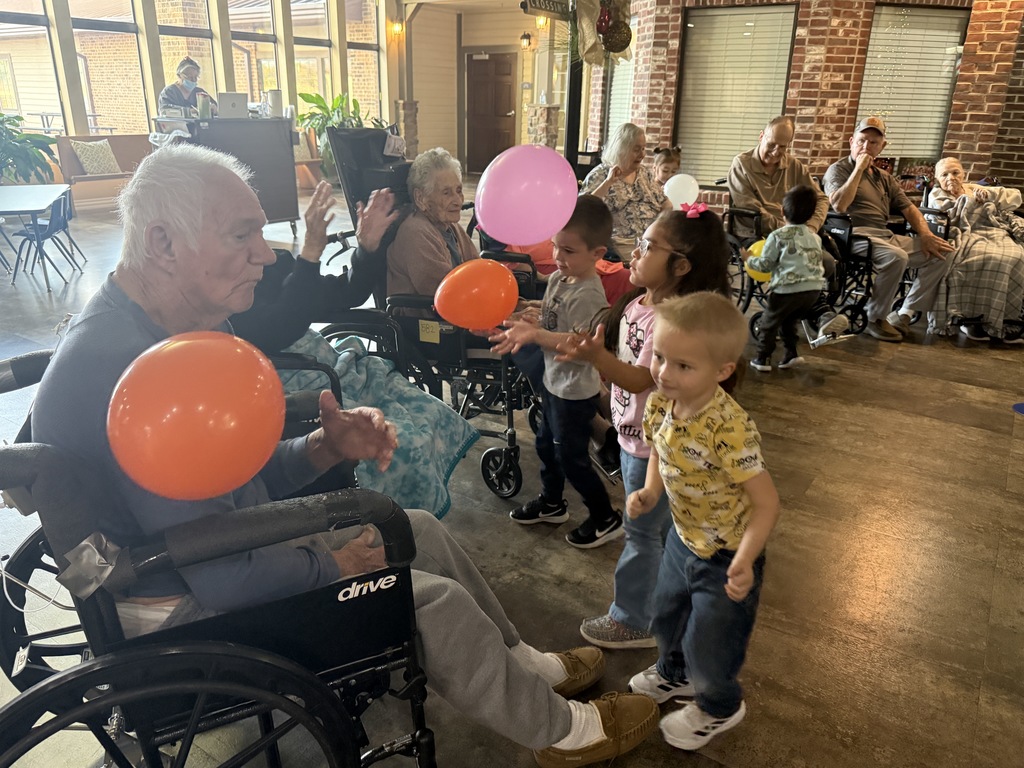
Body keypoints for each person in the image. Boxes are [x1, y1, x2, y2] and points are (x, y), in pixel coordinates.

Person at [29, 143, 658, 767]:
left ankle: (523, 666)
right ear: (164, 243)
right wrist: (331, 564)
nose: (264, 254)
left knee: (416, 528)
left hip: (218, 554)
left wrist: (321, 447)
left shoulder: (169, 333)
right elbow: (220, 573)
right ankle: (563, 732)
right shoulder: (133, 371)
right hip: (186, 611)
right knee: (428, 599)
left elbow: (236, 483)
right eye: (242, 235)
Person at [554, 207, 734, 649]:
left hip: (654, 447)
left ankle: (634, 619)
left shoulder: (673, 320)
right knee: (660, 530)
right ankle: (672, 603)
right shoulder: (640, 303)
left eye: (649, 246)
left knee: (642, 533)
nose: (635, 252)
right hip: (636, 437)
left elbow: (640, 378)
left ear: (681, 266)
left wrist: (597, 359)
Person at [625, 291, 780, 751]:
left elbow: (767, 503)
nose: (664, 373)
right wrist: (651, 491)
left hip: (728, 556)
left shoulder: (728, 428)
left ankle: (719, 705)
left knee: (712, 644)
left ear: (722, 371)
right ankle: (674, 674)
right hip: (683, 539)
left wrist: (746, 561)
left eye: (683, 366)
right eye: (659, 357)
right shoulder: (661, 402)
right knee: (665, 616)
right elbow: (659, 449)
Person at [489, 196, 623, 549]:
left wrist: (535, 335)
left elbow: (579, 342)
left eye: (568, 250)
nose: (558, 256)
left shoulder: (589, 294)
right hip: (554, 384)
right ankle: (551, 503)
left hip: (575, 394)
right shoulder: (562, 278)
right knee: (546, 446)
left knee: (572, 459)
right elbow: (553, 314)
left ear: (597, 253)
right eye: (554, 245)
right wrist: (529, 313)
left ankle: (605, 517)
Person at [823, 116, 954, 341]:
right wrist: (859, 169)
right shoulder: (839, 170)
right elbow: (839, 205)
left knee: (943, 252)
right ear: (851, 141)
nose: (866, 146)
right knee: (897, 257)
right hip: (853, 236)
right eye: (862, 141)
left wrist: (926, 235)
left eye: (873, 143)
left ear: (881, 147)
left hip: (885, 236)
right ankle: (874, 318)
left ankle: (903, 312)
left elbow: (910, 209)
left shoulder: (884, 177)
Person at [727, 116, 845, 339]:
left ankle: (810, 312)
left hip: (794, 235)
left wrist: (811, 227)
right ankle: (819, 313)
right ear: (761, 136)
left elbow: (821, 198)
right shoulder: (741, 164)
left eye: (783, 147)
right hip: (754, 233)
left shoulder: (794, 166)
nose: (776, 152)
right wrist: (788, 231)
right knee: (799, 260)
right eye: (772, 144)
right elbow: (749, 208)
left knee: (827, 261)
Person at [927, 157, 1024, 343]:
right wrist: (967, 200)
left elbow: (1015, 196)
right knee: (982, 258)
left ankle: (1001, 319)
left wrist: (988, 195)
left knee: (1015, 255)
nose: (951, 178)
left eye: (955, 173)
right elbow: (943, 213)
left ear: (964, 174)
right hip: (962, 234)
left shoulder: (972, 187)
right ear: (937, 179)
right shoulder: (937, 194)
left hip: (992, 232)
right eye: (944, 174)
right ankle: (968, 316)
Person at [745, 185, 828, 372]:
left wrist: (748, 259)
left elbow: (765, 265)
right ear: (811, 215)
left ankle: (762, 358)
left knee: (769, 322)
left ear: (782, 211)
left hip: (786, 289)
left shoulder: (777, 236)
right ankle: (791, 354)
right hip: (813, 290)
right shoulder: (814, 237)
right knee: (789, 321)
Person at [386, 147, 478, 299]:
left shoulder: (451, 226)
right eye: (446, 193)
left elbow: (478, 269)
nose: (458, 201)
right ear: (420, 198)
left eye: (458, 190)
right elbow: (446, 294)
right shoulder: (415, 233)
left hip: (461, 305)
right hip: (426, 312)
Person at [580, 123, 668, 259]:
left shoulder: (645, 173)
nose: (642, 154)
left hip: (651, 241)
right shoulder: (600, 175)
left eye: (643, 148)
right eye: (636, 149)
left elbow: (666, 204)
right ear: (621, 149)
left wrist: (659, 229)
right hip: (620, 245)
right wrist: (608, 182)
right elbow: (583, 210)